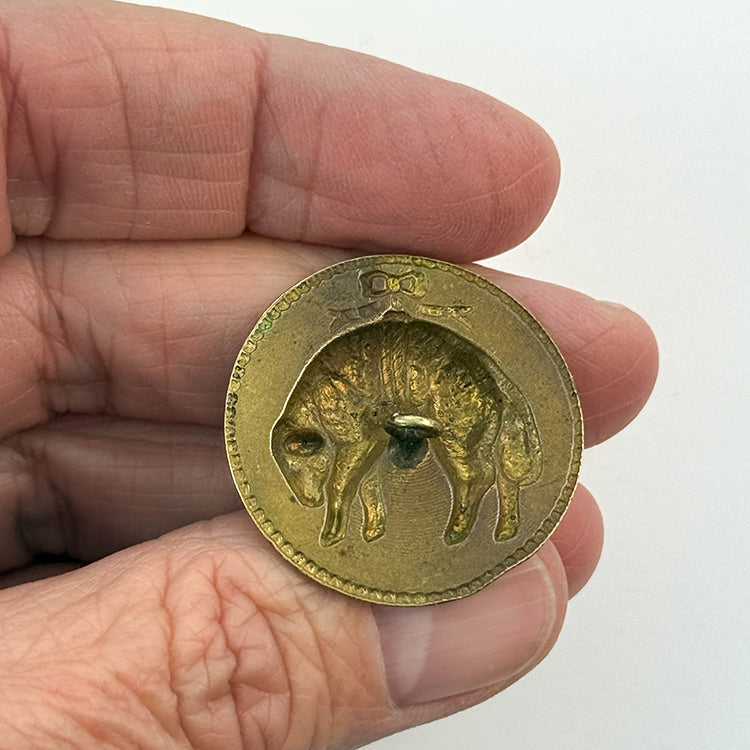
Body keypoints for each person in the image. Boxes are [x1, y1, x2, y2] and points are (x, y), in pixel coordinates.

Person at [0, 1, 658, 747]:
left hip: (440, 389)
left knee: (465, 464)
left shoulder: (330, 409)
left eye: (307, 471)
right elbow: (364, 446)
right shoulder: (325, 406)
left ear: (304, 440)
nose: (308, 483)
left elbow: (367, 445)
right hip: (405, 395)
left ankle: (479, 513)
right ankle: (435, 516)